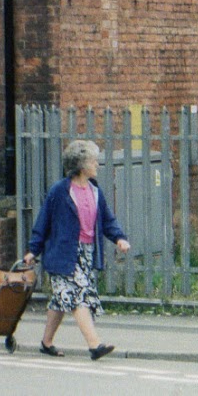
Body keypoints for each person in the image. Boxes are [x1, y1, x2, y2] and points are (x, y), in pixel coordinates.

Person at [22, 139, 131, 361]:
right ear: (81, 165)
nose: (97, 165)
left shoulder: (94, 190)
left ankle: (46, 342)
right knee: (78, 297)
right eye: (93, 161)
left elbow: (107, 219)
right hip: (63, 254)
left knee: (61, 300)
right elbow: (44, 222)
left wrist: (119, 238)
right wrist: (33, 250)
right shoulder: (59, 191)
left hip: (86, 253)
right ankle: (95, 345)